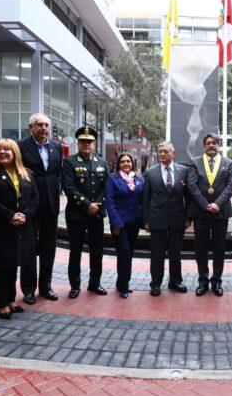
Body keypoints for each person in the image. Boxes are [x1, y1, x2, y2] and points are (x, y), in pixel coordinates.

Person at [0, 139, 39, 319]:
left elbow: (35, 198)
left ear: (15, 153)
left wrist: (25, 216)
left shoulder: (27, 173)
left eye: (7, 149)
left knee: (14, 264)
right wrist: (10, 215)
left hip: (21, 227)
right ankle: (2, 303)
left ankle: (11, 299)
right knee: (1, 267)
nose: (2, 152)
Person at [18, 114, 62, 303]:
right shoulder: (20, 146)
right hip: (29, 205)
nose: (44, 128)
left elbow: (55, 174)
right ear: (31, 127)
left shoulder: (56, 146)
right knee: (28, 248)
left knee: (48, 248)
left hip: (51, 206)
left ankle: (46, 286)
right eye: (39, 125)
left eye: (46, 125)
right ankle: (28, 289)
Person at [61, 126, 109, 298]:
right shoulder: (69, 162)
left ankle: (94, 284)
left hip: (96, 215)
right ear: (78, 143)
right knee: (76, 251)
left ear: (94, 143)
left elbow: (107, 187)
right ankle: (75, 285)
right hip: (76, 215)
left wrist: (98, 204)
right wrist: (88, 204)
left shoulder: (102, 162)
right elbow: (69, 188)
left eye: (89, 141)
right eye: (83, 141)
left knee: (97, 251)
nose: (86, 144)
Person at [187, 133, 232, 297]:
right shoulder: (194, 162)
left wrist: (217, 203)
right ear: (204, 146)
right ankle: (203, 281)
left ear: (219, 145)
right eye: (208, 143)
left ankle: (216, 282)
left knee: (219, 249)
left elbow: (231, 185)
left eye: (214, 143)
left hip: (220, 212)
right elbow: (192, 186)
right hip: (201, 213)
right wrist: (206, 205)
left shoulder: (228, 163)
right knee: (200, 249)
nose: (211, 145)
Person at [141, 142, 191, 296]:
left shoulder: (184, 171)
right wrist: (146, 220)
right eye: (159, 151)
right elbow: (145, 198)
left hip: (178, 219)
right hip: (157, 219)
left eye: (165, 152)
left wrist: (189, 217)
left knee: (176, 253)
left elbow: (188, 197)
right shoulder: (150, 172)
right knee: (157, 254)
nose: (162, 154)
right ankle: (155, 284)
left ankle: (175, 281)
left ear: (173, 153)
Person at [104, 152, 144, 298]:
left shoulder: (139, 179)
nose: (126, 164)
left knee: (128, 254)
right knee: (124, 254)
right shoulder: (113, 180)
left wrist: (145, 220)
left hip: (134, 223)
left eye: (128, 161)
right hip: (119, 224)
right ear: (118, 164)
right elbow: (109, 202)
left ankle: (120, 282)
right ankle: (124, 286)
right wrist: (115, 223)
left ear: (132, 163)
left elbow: (143, 200)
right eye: (123, 162)